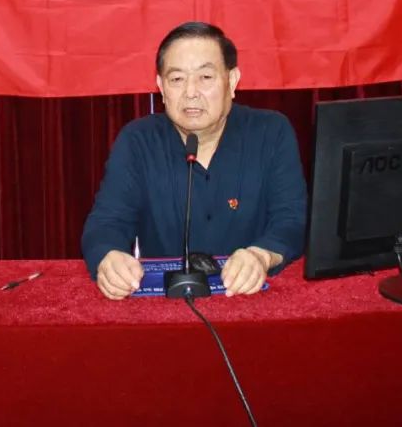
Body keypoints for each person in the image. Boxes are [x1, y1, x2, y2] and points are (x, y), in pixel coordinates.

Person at [81, 22, 308, 300]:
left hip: (252, 299)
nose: (190, 92)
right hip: (167, 306)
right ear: (161, 87)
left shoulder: (271, 132)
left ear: (232, 81)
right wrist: (109, 257)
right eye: (177, 79)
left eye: (205, 77)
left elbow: (291, 220)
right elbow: (106, 222)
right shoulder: (138, 140)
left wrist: (262, 256)